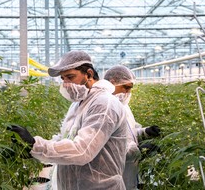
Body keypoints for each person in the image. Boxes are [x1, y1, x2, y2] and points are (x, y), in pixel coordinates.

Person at [8, 51, 127, 190]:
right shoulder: (78, 103)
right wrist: (30, 149)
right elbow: (65, 138)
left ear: (89, 74)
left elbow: (83, 150)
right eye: (63, 78)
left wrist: (36, 145)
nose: (66, 83)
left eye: (70, 77)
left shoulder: (104, 104)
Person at [104, 65, 161, 190]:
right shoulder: (104, 109)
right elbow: (106, 148)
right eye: (126, 87)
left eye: (130, 89)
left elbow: (128, 132)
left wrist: (145, 132)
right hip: (114, 174)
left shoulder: (124, 106)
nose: (128, 92)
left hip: (129, 171)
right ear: (112, 82)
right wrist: (139, 150)